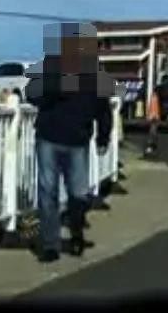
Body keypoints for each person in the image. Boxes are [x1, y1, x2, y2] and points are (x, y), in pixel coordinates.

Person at [23, 23, 114, 261]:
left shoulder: (95, 74)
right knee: (48, 192)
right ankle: (50, 245)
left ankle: (76, 232)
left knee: (79, 194)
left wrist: (103, 136)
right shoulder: (52, 65)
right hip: (48, 137)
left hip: (78, 141)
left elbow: (104, 109)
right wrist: (56, 88)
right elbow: (31, 94)